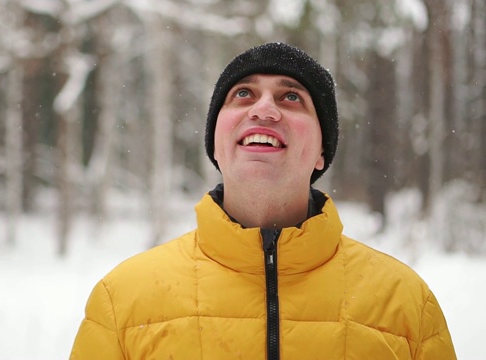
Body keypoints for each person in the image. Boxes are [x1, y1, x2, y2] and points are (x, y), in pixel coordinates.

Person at [70, 42, 456, 359]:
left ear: (323, 150)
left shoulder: (405, 306)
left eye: (291, 97)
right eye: (243, 94)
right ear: (216, 143)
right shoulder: (123, 302)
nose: (264, 109)